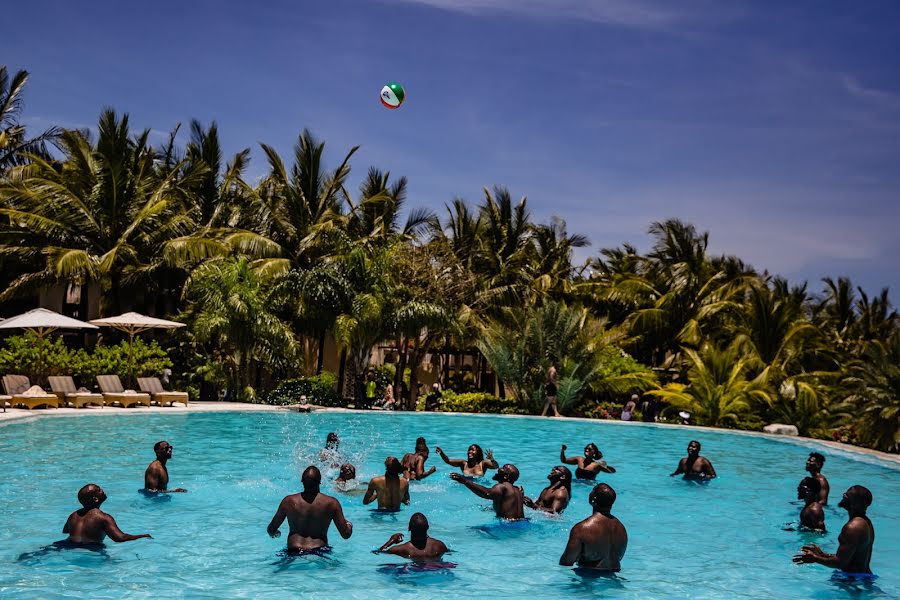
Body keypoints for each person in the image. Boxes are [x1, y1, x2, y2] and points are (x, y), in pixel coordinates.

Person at [793, 486, 875, 576]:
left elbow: (840, 563)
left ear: (857, 503)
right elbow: (849, 557)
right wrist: (822, 554)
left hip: (853, 580)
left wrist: (815, 559)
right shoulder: (865, 522)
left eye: (848, 494)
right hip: (862, 576)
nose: (844, 494)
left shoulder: (852, 527)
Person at [267, 466, 353, 552]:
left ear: (302, 481)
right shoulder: (331, 503)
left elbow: (271, 530)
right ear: (320, 482)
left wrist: (276, 534)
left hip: (293, 551)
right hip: (319, 551)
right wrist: (349, 524)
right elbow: (346, 535)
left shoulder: (289, 501)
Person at [559, 483, 627, 571]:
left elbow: (567, 561)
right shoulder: (621, 528)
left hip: (589, 577)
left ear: (593, 498)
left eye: (592, 491)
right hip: (614, 576)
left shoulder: (582, 528)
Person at [62, 484, 152, 546]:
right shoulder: (104, 518)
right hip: (92, 548)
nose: (103, 490)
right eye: (99, 490)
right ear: (95, 499)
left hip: (68, 544)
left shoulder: (73, 515)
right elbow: (120, 538)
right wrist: (142, 536)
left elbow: (66, 531)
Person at [450, 464, 525, 520]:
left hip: (507, 525)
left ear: (506, 476)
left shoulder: (502, 486)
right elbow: (509, 507)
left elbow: (487, 493)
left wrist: (465, 481)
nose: (499, 468)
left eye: (503, 468)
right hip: (522, 522)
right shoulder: (518, 490)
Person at [376, 513, 448, 560]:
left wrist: (391, 541)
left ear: (409, 528)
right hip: (436, 569)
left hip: (414, 571)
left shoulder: (404, 549)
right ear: (428, 527)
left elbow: (378, 552)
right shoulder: (439, 545)